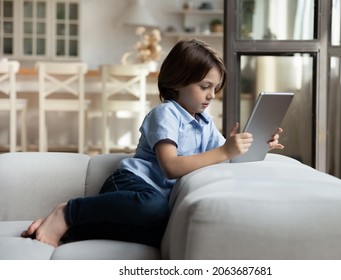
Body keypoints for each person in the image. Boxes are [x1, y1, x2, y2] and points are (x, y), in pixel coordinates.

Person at [21, 38, 284, 248]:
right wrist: (225, 149)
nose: (211, 95)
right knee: (156, 207)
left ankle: (68, 228)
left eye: (215, 89)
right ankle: (70, 211)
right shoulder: (166, 113)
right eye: (205, 86)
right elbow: (170, 166)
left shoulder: (204, 122)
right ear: (179, 82)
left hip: (152, 203)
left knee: (160, 229)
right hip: (130, 185)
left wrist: (254, 142)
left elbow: (222, 155)